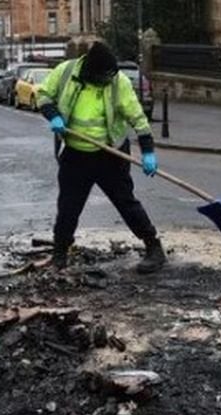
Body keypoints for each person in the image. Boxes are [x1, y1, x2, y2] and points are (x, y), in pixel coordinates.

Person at [36, 40, 166, 274]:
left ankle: (154, 247)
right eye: (103, 76)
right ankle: (59, 254)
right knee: (68, 206)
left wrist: (148, 152)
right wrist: (52, 115)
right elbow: (43, 94)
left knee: (126, 202)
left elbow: (138, 119)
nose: (108, 79)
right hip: (75, 154)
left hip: (110, 154)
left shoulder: (119, 82)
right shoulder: (66, 72)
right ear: (90, 71)